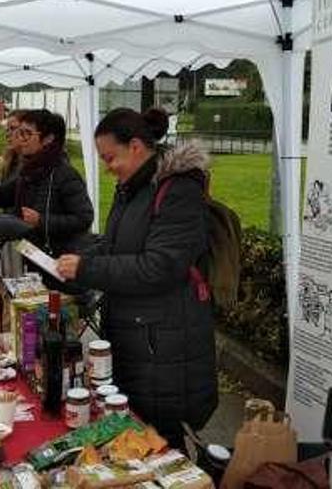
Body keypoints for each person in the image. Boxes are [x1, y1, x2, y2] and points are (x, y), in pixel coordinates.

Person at [56, 107, 218, 447]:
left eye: (110, 157)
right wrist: (81, 260)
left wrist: (88, 269)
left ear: (135, 146)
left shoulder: (177, 191)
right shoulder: (132, 187)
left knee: (163, 440)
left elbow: (160, 266)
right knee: (136, 434)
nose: (107, 167)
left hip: (164, 343)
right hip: (138, 335)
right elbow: (118, 247)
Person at [0, 109, 94, 259]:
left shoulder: (65, 174)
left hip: (57, 261)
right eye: (19, 133)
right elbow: (4, 198)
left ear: (48, 139)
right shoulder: (28, 171)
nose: (20, 139)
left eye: (26, 133)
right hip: (29, 254)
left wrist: (42, 220)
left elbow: (84, 218)